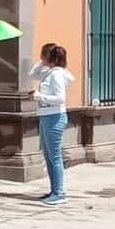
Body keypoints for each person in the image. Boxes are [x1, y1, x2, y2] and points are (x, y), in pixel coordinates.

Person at [34, 45, 74, 206]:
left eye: (44, 54)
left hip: (54, 117)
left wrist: (39, 96)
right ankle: (54, 189)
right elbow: (33, 73)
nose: (41, 57)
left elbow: (60, 98)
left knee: (55, 157)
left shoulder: (56, 74)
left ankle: (59, 193)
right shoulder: (49, 72)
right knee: (48, 157)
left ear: (51, 57)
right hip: (46, 117)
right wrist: (42, 61)